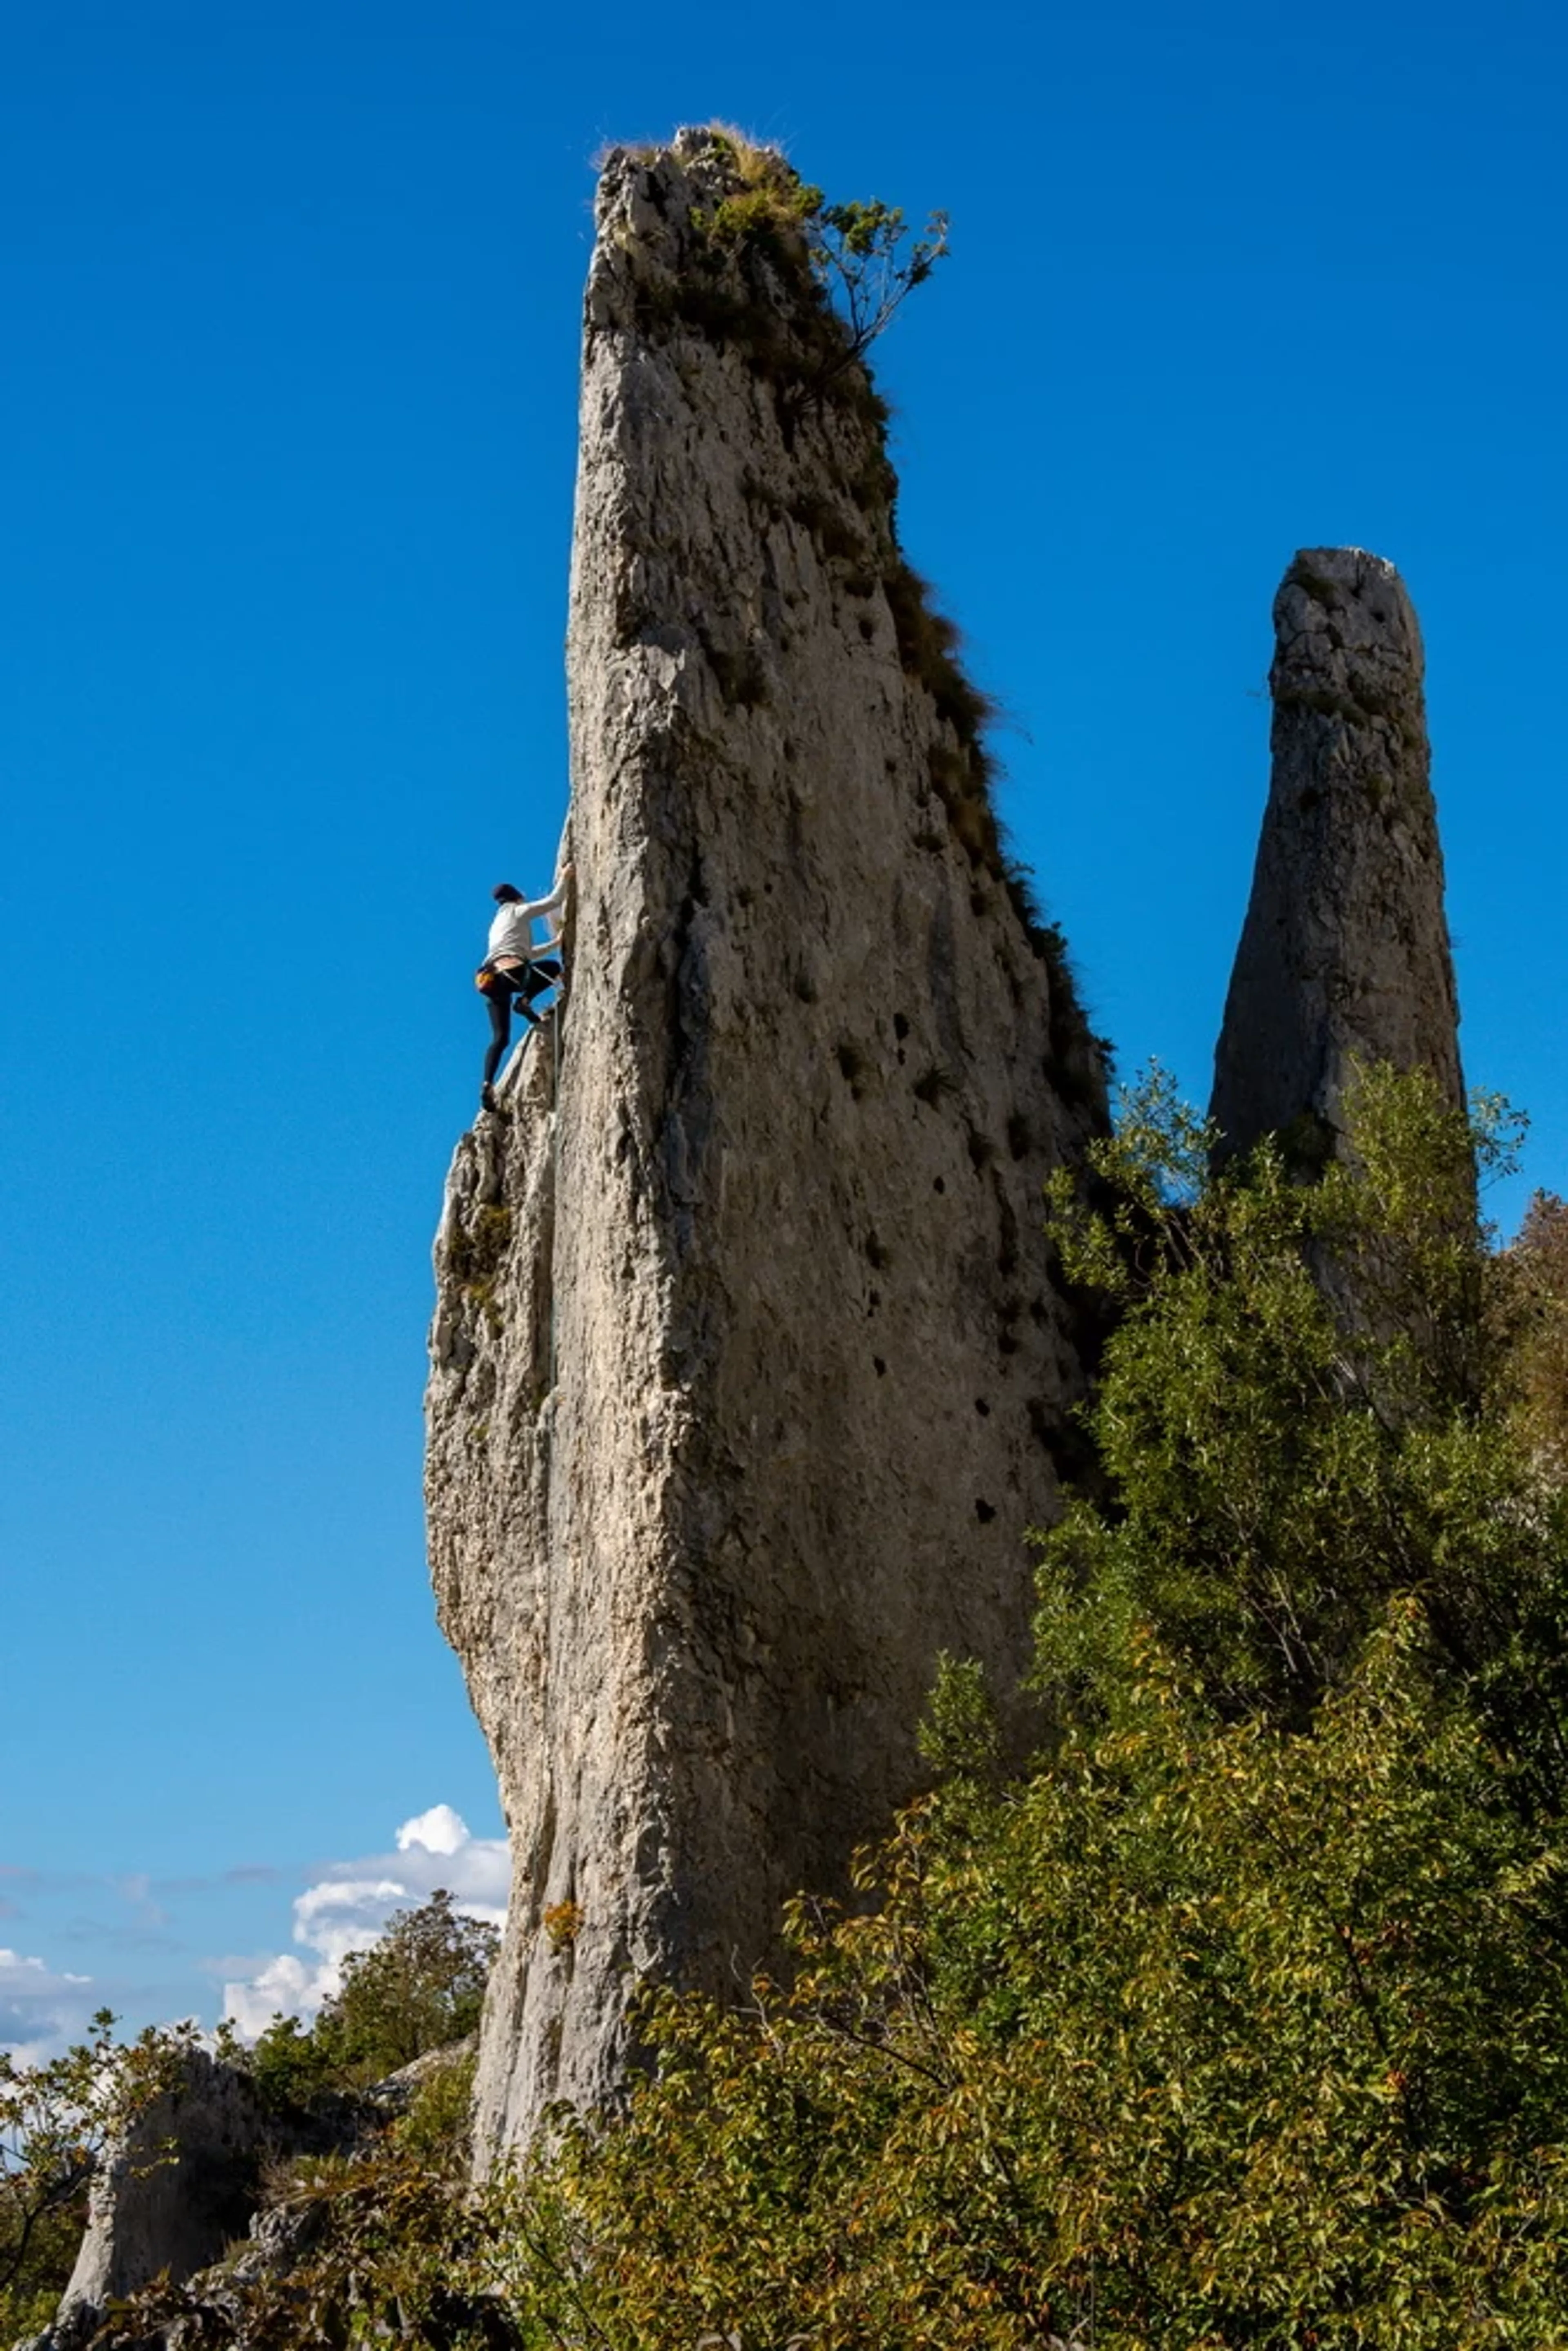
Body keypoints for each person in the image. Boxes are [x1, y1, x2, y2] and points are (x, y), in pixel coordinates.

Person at [477, 864, 574, 1111]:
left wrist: (555, 942)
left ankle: (488, 1083)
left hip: (490, 980)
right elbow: (555, 900)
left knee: (500, 1038)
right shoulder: (519, 912)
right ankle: (525, 1002)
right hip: (513, 974)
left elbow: (527, 953)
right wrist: (565, 877)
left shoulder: (497, 924)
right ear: (517, 897)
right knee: (552, 969)